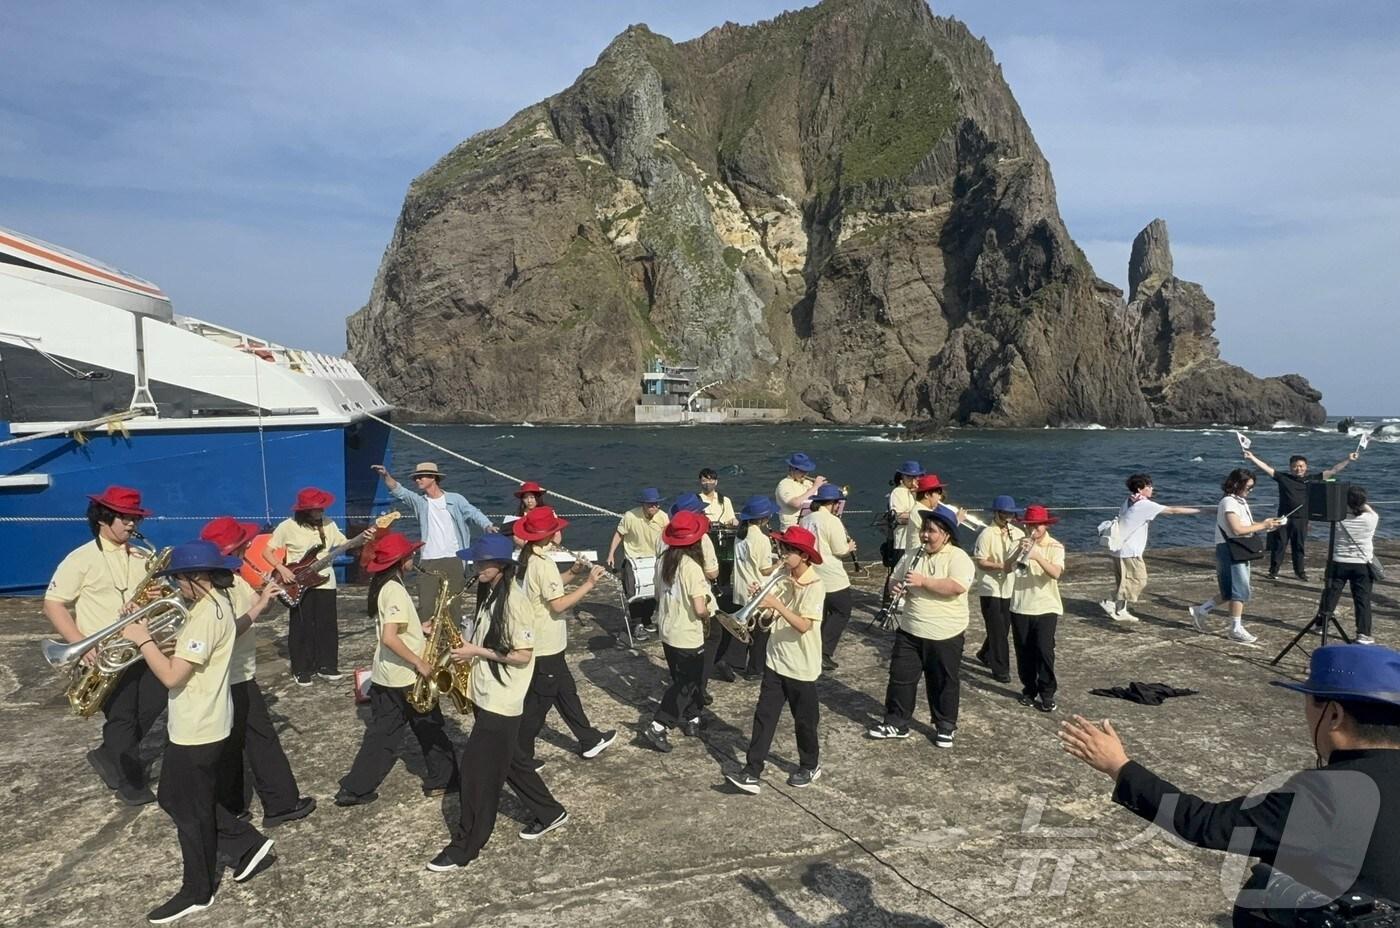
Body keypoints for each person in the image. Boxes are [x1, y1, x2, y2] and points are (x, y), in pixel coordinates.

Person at [1059, 644, 1400, 925]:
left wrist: (1119, 766)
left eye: (1310, 701)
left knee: (1261, 890)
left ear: (1335, 715)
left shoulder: (1322, 794)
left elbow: (1205, 824)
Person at [119, 540, 279, 924]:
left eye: (179, 581)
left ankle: (198, 890)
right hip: (209, 720)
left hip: (196, 726)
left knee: (185, 807)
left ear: (194, 577)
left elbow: (174, 675)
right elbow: (231, 632)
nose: (177, 589)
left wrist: (142, 639)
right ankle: (246, 844)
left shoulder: (205, 614)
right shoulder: (222, 601)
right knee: (178, 797)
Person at [427, 534, 561, 870]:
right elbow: (485, 636)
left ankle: (465, 847)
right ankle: (551, 812)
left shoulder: (515, 603)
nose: (474, 567)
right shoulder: (490, 594)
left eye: (479, 562)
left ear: (498, 566)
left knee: (476, 775)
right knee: (512, 762)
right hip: (487, 694)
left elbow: (522, 655)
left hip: (503, 702)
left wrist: (474, 652)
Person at [43, 485, 161, 805]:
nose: (132, 525)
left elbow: (159, 596)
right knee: (122, 716)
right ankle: (129, 779)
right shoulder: (80, 559)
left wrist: (156, 596)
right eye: (125, 518)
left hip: (141, 647)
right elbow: (53, 604)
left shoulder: (143, 556)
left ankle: (109, 754)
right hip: (104, 654)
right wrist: (81, 644)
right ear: (103, 519)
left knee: (155, 701)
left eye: (135, 518)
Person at [198, 518, 315, 828]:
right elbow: (227, 631)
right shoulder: (216, 587)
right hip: (231, 675)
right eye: (243, 547)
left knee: (231, 743)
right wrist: (260, 606)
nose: (249, 549)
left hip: (231, 675)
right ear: (231, 550)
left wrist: (272, 593)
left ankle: (233, 805)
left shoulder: (228, 580)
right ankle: (281, 803)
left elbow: (259, 606)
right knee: (260, 740)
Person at [336, 531, 458, 807]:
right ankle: (445, 779)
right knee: (430, 726)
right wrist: (420, 663)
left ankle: (356, 787)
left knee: (384, 734)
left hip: (388, 675)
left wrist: (420, 628)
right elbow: (390, 637)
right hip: (405, 675)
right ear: (400, 561)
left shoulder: (385, 585)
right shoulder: (395, 591)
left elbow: (397, 630)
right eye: (410, 555)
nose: (413, 559)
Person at [512, 507, 616, 797]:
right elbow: (557, 604)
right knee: (537, 706)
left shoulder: (533, 559)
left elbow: (549, 589)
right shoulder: (541, 564)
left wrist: (572, 572)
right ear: (548, 536)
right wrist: (590, 583)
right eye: (557, 529)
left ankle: (589, 739)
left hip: (547, 644)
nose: (561, 532)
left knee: (565, 691)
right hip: (545, 644)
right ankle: (519, 756)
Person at [726, 525, 827, 793]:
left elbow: (804, 625)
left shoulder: (815, 586)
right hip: (775, 660)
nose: (781, 554)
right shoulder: (783, 574)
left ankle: (810, 764)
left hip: (801, 666)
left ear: (804, 556)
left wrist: (777, 605)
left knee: (805, 721)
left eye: (787, 550)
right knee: (764, 717)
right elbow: (770, 619)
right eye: (781, 548)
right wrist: (761, 603)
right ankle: (752, 770)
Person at [867, 509, 975, 748]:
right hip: (910, 628)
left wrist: (923, 581)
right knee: (900, 677)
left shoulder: (957, 557)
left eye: (931, 531)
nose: (925, 535)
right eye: (924, 530)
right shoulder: (913, 554)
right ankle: (897, 722)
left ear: (946, 535)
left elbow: (956, 587)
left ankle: (945, 726)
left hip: (945, 631)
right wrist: (896, 588)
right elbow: (894, 578)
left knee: (943, 681)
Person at [372, 461, 497, 621]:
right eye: (416, 477)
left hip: (454, 558)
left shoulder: (455, 499)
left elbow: (473, 513)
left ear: (433, 477)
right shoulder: (420, 502)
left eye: (421, 476)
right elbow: (399, 491)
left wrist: (487, 525)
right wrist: (386, 475)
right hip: (428, 561)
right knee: (426, 607)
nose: (417, 480)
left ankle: (453, 645)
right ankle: (426, 643)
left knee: (452, 607)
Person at [642, 511, 715, 752]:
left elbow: (656, 594)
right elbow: (699, 607)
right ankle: (659, 724)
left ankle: (693, 718)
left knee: (684, 679)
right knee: (687, 682)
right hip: (687, 634)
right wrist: (707, 615)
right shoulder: (692, 567)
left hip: (668, 629)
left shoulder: (663, 560)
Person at [1189, 470, 1284, 644]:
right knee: (1239, 590)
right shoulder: (1229, 502)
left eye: (1252, 487)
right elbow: (1237, 529)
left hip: (1234, 548)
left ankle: (1201, 610)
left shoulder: (1239, 502)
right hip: (1231, 549)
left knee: (1229, 591)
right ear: (1235, 484)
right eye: (1248, 486)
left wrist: (1267, 526)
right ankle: (1235, 628)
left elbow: (1246, 526)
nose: (1250, 490)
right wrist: (1263, 525)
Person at [266, 487, 348, 686]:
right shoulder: (287, 526)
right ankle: (301, 669)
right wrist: (282, 569)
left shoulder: (328, 524)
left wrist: (366, 537)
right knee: (301, 625)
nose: (320, 512)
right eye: (316, 509)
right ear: (304, 511)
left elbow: (345, 543)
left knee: (327, 625)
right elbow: (267, 551)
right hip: (297, 581)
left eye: (321, 508)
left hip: (325, 580)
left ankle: (327, 665)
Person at [1242, 448, 1358, 581]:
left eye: (1301, 466)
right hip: (1283, 518)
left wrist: (1348, 459)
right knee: (1279, 546)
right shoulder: (1284, 478)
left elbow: (1334, 470)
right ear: (1290, 467)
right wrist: (1252, 457)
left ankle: (1300, 573)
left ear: (1306, 467)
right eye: (1295, 466)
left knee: (1299, 546)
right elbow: (1266, 468)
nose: (1298, 469)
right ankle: (1273, 571)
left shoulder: (1312, 479)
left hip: (1302, 519)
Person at [1098, 474, 1201, 622]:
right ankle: (1110, 602)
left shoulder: (1129, 501)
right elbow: (1173, 510)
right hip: (1129, 551)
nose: (1152, 489)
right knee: (1139, 580)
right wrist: (1200, 511)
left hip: (1119, 548)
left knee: (1124, 581)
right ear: (1140, 489)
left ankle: (1121, 610)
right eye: (1149, 486)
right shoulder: (1144, 505)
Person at [1009, 505, 1066, 712]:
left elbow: (1056, 573)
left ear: (1045, 525)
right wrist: (1018, 551)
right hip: (1020, 605)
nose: (1033, 529)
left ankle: (1047, 692)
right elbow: (1008, 568)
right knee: (1023, 651)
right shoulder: (1018, 543)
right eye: (1030, 525)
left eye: (1037, 525)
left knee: (1044, 650)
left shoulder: (1055, 546)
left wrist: (1037, 556)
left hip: (1046, 607)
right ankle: (1028, 689)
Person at [972, 496, 1025, 684]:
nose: (1008, 517)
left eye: (1011, 513)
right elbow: (980, 561)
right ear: (996, 513)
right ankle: (1001, 668)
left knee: (1003, 627)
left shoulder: (1018, 533)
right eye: (1004, 513)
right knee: (997, 629)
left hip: (1009, 587)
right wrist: (1001, 566)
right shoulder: (986, 534)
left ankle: (985, 653)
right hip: (991, 587)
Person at [801, 483, 855, 672]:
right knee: (842, 611)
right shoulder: (833, 521)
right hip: (832, 575)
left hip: (812, 572)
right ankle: (824, 652)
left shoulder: (805, 520)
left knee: (820, 614)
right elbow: (839, 549)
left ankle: (813, 650)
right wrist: (850, 548)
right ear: (832, 503)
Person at [607, 487, 668, 640]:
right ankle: (637, 624)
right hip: (634, 559)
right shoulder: (630, 516)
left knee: (653, 593)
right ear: (643, 505)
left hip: (655, 558)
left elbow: (668, 535)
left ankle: (647, 620)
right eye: (651, 504)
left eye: (656, 504)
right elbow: (619, 534)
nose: (655, 507)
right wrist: (611, 553)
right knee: (634, 593)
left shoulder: (663, 517)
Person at [1323, 485, 1379, 644]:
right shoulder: (1371, 519)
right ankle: (1363, 633)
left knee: (1330, 594)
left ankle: (1322, 622)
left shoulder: (1338, 519)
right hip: (1362, 564)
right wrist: (1361, 502)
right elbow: (1370, 511)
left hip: (1338, 562)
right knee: (1362, 599)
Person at [731, 495, 779, 680]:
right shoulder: (760, 538)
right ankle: (755, 668)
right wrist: (779, 563)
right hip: (756, 590)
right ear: (763, 518)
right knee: (760, 632)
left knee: (745, 629)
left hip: (742, 586)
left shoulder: (740, 534)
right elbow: (765, 570)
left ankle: (735, 661)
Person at [775, 452, 825, 529]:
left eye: (807, 471)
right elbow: (796, 503)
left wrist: (824, 489)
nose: (805, 474)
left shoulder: (807, 483)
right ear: (792, 469)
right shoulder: (784, 484)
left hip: (810, 525)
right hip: (792, 529)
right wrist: (815, 487)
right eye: (802, 471)